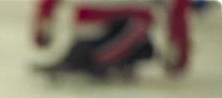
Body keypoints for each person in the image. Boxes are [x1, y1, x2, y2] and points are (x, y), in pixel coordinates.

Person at [33, 0, 191, 77]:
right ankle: (84, 58)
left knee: (134, 27)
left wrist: (178, 51)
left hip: (128, 26)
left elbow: (177, 7)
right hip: (90, 29)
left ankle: (88, 60)